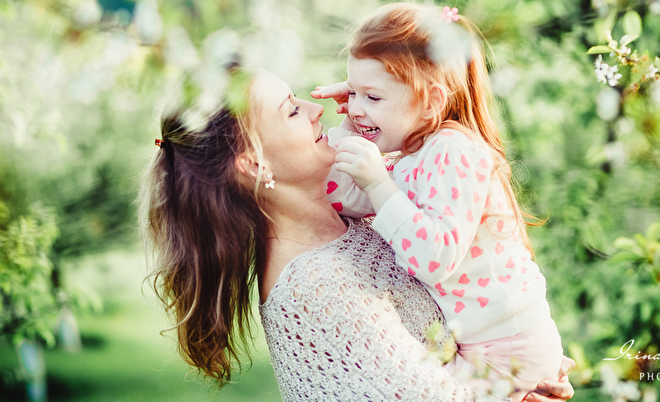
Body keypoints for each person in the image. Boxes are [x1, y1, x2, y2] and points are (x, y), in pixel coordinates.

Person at [139, 60, 574, 400]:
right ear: (255, 164)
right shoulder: (312, 289)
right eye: (292, 109)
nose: (316, 110)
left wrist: (527, 359)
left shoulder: (355, 217)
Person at [313, 3, 563, 401]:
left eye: (373, 96)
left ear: (430, 100)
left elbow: (434, 259)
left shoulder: (453, 151)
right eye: (353, 92)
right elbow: (340, 198)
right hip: (485, 343)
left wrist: (378, 182)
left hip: (506, 345)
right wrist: (350, 125)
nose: (358, 106)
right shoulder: (411, 158)